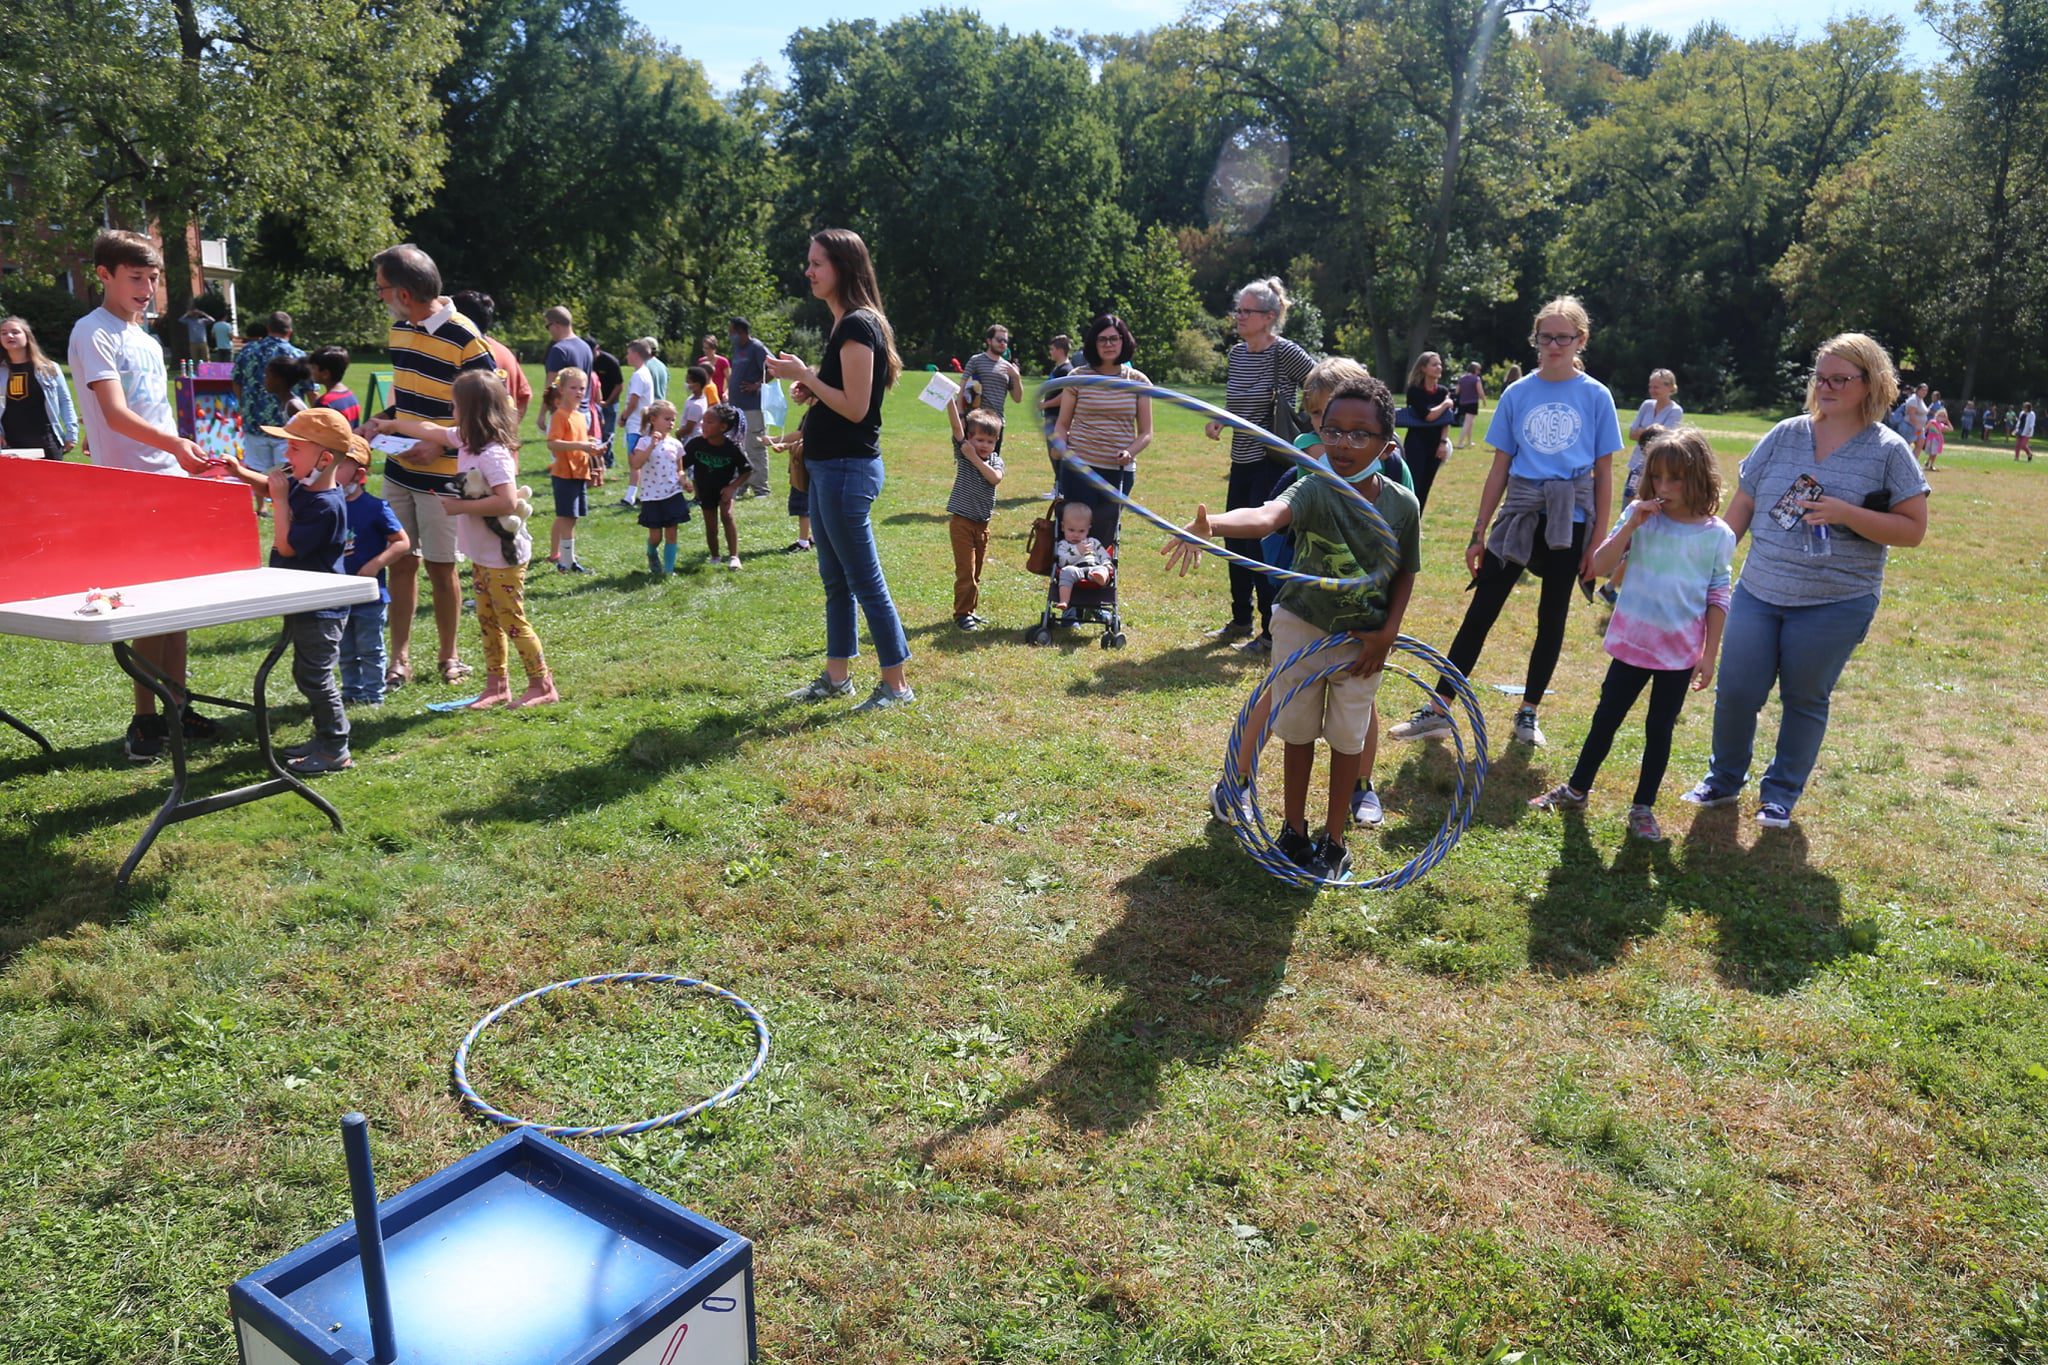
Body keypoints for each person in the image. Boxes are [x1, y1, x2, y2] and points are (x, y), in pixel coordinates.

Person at [1168, 374, 1421, 882]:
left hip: (1363, 641)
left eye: (1359, 435)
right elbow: (1266, 516)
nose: (1343, 445)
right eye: (1332, 431)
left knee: (1348, 738)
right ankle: (1294, 830)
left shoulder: (1401, 505)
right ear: (1318, 431)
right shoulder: (1314, 487)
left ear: (1386, 446)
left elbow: (1405, 572)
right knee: (1297, 732)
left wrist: (1387, 633)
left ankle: (1334, 841)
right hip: (1302, 623)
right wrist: (1211, 525)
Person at [1683, 332, 1928, 827]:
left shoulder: (1889, 451)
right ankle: (1724, 779)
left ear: (1871, 383)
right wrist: (1711, 562)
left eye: (1840, 379)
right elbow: (1745, 503)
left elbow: (1912, 530)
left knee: (1804, 696)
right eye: (1821, 378)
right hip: (1760, 588)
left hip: (1836, 600)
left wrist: (1847, 513)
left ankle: (1779, 795)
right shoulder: (1786, 433)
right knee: (1736, 689)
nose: (1827, 387)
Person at [1389, 295, 1621, 749]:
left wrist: (1597, 542)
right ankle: (1439, 709)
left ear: (1580, 340)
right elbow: (1499, 468)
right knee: (1481, 610)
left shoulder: (1596, 396)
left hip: (1568, 517)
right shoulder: (1518, 393)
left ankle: (1528, 712)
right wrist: (1478, 534)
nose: (1553, 345)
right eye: (1545, 337)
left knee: (1551, 617)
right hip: (1518, 514)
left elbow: (1605, 473)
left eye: (1563, 337)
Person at [1531, 428, 1733, 841]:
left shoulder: (1717, 535)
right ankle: (1576, 789)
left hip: (1679, 652)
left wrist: (1709, 654)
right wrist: (1630, 525)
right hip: (1632, 643)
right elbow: (1600, 567)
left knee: (1659, 729)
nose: (1664, 487)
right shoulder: (1641, 518)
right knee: (1606, 718)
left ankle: (1643, 808)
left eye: (1675, 478)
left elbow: (1718, 594)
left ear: (1698, 479)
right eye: (1657, 477)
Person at [68, 230, 217, 760]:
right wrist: (175, 444)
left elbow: (145, 414)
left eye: (153, 278)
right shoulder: (94, 331)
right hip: (128, 490)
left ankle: (177, 705)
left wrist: (181, 452)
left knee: (175, 607)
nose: (147, 288)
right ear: (103, 274)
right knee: (147, 610)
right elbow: (112, 413)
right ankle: (145, 722)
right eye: (135, 277)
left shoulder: (148, 339)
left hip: (168, 482)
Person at [767, 227, 914, 712]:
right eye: (808, 262)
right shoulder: (845, 324)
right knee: (835, 580)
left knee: (864, 580)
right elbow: (848, 394)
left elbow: (855, 408)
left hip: (848, 471)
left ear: (843, 268)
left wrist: (806, 376)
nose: (808, 271)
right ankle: (837, 677)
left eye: (817, 263)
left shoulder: (856, 325)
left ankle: (896, 686)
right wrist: (813, 384)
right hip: (829, 466)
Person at [378, 371, 557, 710]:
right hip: (482, 553)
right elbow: (430, 431)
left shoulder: (493, 455)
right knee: (488, 620)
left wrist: (460, 507)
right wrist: (392, 425)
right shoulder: (465, 440)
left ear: (471, 409)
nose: (450, 407)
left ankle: (542, 684)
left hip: (504, 556)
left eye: (455, 403)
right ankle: (497, 686)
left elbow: (505, 502)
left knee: (512, 621)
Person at [367, 243, 497, 688]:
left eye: (382, 289)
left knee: (442, 568)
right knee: (401, 560)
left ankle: (450, 657)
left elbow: (486, 417)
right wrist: (384, 421)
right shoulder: (400, 330)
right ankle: (398, 660)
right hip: (400, 471)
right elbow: (407, 395)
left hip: (446, 477)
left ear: (404, 293)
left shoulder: (467, 338)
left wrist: (439, 449)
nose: (380, 297)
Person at [212, 408, 357, 774]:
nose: (285, 456)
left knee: (315, 677)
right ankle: (324, 737)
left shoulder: (326, 505)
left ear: (324, 459)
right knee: (306, 674)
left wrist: (278, 502)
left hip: (323, 609)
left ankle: (335, 746)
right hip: (305, 600)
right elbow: (270, 486)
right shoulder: (306, 483)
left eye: (294, 449)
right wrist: (238, 472)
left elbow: (288, 546)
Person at [1205, 277, 1316, 655]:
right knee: (1234, 536)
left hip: (1274, 457)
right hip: (1243, 457)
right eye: (1238, 310)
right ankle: (1240, 619)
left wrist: (1312, 422)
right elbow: (1236, 400)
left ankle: (1271, 633)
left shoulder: (1284, 352)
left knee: (1257, 541)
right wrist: (1219, 418)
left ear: (1269, 317)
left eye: (1246, 311)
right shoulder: (1237, 354)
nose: (1239, 316)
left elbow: (1320, 382)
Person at [1049, 313, 1152, 553]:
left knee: (1104, 536)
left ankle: (1099, 579)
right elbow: (1063, 423)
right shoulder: (1078, 377)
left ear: (1123, 341)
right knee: (1075, 533)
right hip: (1079, 468)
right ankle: (1069, 580)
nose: (1108, 344)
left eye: (1114, 339)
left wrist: (1130, 451)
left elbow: (1146, 433)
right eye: (1102, 339)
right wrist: (1060, 445)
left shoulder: (1138, 381)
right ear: (1093, 344)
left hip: (1118, 472)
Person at [1600, 367, 1684, 603]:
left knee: (1644, 526)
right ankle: (1614, 571)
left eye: (1657, 385)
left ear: (1670, 387)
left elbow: (1664, 438)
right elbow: (1632, 434)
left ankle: (1615, 577)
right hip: (1638, 467)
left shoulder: (1675, 410)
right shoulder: (1647, 406)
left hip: (1657, 470)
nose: (1652, 389)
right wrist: (1649, 434)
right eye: (1651, 385)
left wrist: (1645, 434)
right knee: (1628, 519)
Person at [334, 443, 409, 705]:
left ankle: (373, 695)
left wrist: (376, 564)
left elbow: (402, 542)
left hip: (370, 595)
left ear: (360, 474)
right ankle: (351, 693)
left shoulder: (375, 507)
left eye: (341, 465)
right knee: (345, 649)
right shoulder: (329, 505)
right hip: (338, 595)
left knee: (369, 648)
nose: (333, 469)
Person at [944, 390, 1005, 630]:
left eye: (990, 441)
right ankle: (961, 615)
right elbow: (956, 428)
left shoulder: (996, 461)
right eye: (979, 440)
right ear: (970, 437)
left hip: (983, 525)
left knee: (976, 571)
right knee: (966, 571)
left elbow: (994, 479)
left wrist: (975, 458)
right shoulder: (964, 451)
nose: (984, 445)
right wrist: (949, 398)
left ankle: (969, 610)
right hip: (962, 523)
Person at [232, 310, 303, 502]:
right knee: (288, 467)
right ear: (289, 331)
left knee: (256, 465)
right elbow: (310, 389)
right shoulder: (297, 355)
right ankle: (287, 501)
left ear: (268, 329)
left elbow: (236, 381)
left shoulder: (247, 351)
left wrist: (243, 405)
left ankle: (261, 505)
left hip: (254, 420)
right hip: (287, 427)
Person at [542, 366, 604, 571]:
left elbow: (578, 442)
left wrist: (591, 445)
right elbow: (553, 443)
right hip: (564, 473)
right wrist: (581, 445)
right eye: (573, 387)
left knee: (572, 517)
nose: (578, 392)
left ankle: (567, 559)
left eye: (582, 388)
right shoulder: (560, 415)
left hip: (579, 471)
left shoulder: (579, 415)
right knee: (567, 517)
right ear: (561, 389)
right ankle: (566, 562)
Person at [684, 402, 753, 569]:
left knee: (727, 516)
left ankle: (734, 557)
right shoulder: (695, 444)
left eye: (709, 422)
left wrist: (732, 487)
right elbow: (681, 464)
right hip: (705, 489)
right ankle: (715, 556)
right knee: (711, 524)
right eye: (703, 421)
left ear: (723, 427)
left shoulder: (732, 448)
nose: (703, 425)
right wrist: (683, 480)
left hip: (725, 488)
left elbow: (747, 470)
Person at [0, 315, 79, 458]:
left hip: (46, 440)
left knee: (51, 480)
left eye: (15, 332)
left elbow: (65, 401)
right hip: (9, 443)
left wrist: (71, 432)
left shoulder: (49, 368)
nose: (9, 336)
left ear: (27, 336)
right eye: (3, 333)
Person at [452, 290, 532, 428]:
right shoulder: (504, 351)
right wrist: (507, 431)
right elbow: (524, 396)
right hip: (501, 444)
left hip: (472, 444)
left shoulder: (466, 353)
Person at [630, 399, 691, 576]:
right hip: (652, 496)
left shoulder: (676, 444)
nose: (671, 423)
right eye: (667, 419)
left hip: (672, 493)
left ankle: (668, 570)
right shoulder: (643, 442)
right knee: (656, 536)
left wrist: (684, 482)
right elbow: (636, 464)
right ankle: (651, 551)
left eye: (673, 419)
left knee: (672, 533)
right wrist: (651, 445)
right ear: (653, 419)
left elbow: (679, 469)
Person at [1402, 351, 1457, 511]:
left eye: (1440, 364)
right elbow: (1428, 416)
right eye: (1434, 364)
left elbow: (1446, 421)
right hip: (1416, 444)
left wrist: (1443, 443)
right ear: (1423, 368)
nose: (1439, 367)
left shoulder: (1442, 391)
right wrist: (1446, 404)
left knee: (1426, 485)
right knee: (1413, 485)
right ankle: (1407, 520)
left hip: (1436, 445)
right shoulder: (1414, 391)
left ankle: (1417, 522)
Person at [727, 317, 772, 500]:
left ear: (742, 332)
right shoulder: (738, 348)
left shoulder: (757, 347)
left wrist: (756, 385)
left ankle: (761, 489)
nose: (730, 336)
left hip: (753, 407)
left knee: (755, 446)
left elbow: (773, 369)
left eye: (732, 332)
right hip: (737, 408)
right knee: (739, 447)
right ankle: (742, 485)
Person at [960, 324, 1023, 452]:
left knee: (992, 464)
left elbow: (1017, 398)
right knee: (971, 463)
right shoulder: (976, 361)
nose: (1003, 343)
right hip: (975, 421)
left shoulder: (1008, 367)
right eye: (999, 340)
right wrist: (961, 416)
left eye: (1005, 341)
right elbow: (961, 389)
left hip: (996, 423)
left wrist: (1016, 377)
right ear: (989, 341)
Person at [1052, 501, 1112, 617]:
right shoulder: (1063, 545)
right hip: (1076, 570)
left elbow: (1104, 555)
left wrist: (1106, 564)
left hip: (1094, 568)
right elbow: (1062, 562)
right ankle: (1064, 601)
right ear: (1063, 527)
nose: (1076, 535)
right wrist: (1077, 551)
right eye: (1071, 530)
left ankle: (1100, 578)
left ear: (1088, 529)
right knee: (1066, 571)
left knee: (1102, 570)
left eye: (1081, 531)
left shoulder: (1093, 542)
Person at [617, 339, 656, 506]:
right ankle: (644, 492)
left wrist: (624, 416)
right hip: (643, 423)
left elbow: (634, 400)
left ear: (636, 354)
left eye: (629, 353)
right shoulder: (645, 372)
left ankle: (630, 496)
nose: (627, 356)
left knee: (634, 460)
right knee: (640, 460)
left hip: (636, 424)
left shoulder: (639, 375)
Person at [1041, 332, 1074, 498]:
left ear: (1060, 350)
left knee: (1057, 453)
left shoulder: (1067, 370)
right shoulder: (1059, 368)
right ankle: (1058, 487)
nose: (1050, 352)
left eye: (1052, 349)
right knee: (1053, 452)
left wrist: (1046, 404)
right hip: (1051, 416)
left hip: (1058, 418)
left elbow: (1065, 395)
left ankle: (1060, 489)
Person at [542, 307, 593, 400]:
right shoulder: (586, 347)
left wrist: (542, 413)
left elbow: (550, 387)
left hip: (564, 410)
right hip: (584, 410)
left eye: (547, 326)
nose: (549, 331)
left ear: (555, 325)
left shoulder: (559, 349)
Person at [307, 347, 361, 428]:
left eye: (313, 368)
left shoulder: (325, 403)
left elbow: (318, 435)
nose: (311, 371)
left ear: (325, 374)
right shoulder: (350, 395)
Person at [1454, 361, 1486, 452]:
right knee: (1468, 422)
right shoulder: (1476, 379)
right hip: (1472, 402)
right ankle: (1460, 442)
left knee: (1470, 422)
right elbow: (1480, 392)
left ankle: (1469, 441)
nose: (1479, 371)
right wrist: (1483, 400)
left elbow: (1457, 391)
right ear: (1475, 370)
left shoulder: (1462, 378)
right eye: (1478, 369)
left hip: (1463, 402)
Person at [698, 334, 731, 409]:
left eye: (708, 348)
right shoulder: (701, 361)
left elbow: (730, 380)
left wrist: (726, 393)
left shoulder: (723, 361)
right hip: (705, 395)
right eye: (704, 348)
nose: (705, 350)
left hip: (719, 397)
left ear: (713, 349)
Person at [1922, 402, 1950, 470]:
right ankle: (1929, 464)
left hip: (1938, 441)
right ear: (1936, 415)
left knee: (1934, 453)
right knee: (1933, 453)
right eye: (1940, 415)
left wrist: (1947, 421)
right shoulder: (1932, 422)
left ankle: (1930, 464)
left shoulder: (1941, 425)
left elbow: (1951, 429)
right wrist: (1923, 437)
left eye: (1943, 416)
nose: (1941, 417)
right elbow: (1926, 429)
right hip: (1931, 440)